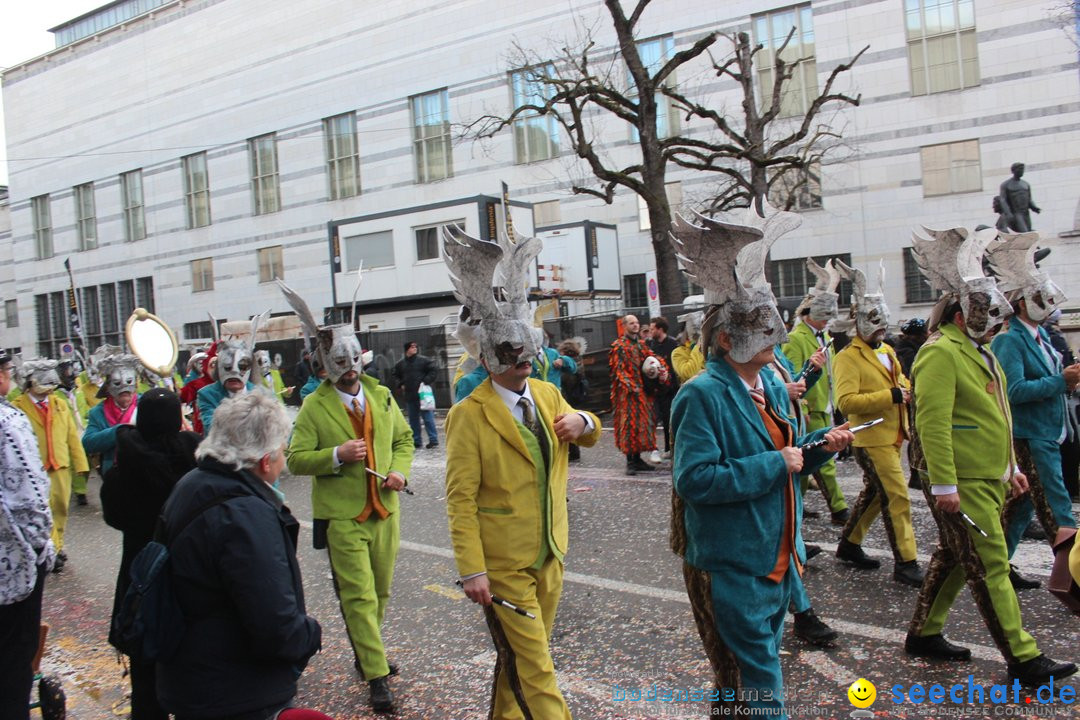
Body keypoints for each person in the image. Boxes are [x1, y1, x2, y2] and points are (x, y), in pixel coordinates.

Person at [668, 204, 854, 717]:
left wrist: (820, 446)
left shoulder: (768, 383)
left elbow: (787, 455)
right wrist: (781, 463)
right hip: (733, 563)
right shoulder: (701, 395)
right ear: (727, 338)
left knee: (738, 688)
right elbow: (696, 480)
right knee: (760, 687)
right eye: (760, 326)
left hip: (776, 560)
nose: (775, 335)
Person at [443, 222, 602, 720]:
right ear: (487, 358)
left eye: (527, 352)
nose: (525, 363)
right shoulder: (468, 415)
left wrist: (585, 421)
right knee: (536, 664)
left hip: (550, 552)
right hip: (505, 565)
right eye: (512, 356)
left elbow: (590, 429)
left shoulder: (549, 394)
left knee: (519, 658)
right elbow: (460, 499)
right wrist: (471, 568)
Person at [905, 225, 1075, 687]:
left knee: (957, 557)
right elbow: (933, 424)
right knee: (992, 564)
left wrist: (1012, 468)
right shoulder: (940, 353)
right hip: (960, 476)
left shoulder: (979, 350)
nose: (997, 324)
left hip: (987, 474)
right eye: (987, 314)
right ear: (961, 316)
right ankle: (1023, 657)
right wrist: (943, 485)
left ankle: (924, 632)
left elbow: (998, 414)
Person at [281, 281, 414, 713]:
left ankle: (366, 651)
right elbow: (296, 459)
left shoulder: (382, 395)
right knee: (358, 595)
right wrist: (335, 455)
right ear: (325, 364)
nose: (350, 367)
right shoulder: (313, 408)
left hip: (385, 511)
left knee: (382, 592)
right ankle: (375, 673)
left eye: (354, 359)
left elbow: (405, 439)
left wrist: (397, 470)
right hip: (342, 518)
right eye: (340, 361)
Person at [157, 393, 323, 720]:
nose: (282, 459)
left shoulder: (195, 483)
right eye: (280, 451)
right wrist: (310, 633)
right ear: (264, 460)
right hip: (235, 690)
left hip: (194, 675)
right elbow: (275, 623)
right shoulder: (244, 513)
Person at [100, 388, 200, 720]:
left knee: (145, 676)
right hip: (190, 575)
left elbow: (113, 517)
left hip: (140, 575)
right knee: (192, 669)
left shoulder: (122, 471)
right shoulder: (195, 465)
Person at [986, 234, 1079, 589]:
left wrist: (1068, 381)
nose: (1048, 304)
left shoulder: (1041, 336)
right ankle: (1074, 579)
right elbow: (1013, 392)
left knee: (1021, 508)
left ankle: (997, 566)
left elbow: (1052, 381)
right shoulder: (1010, 339)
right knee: (1059, 509)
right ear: (1022, 303)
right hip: (1031, 435)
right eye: (1040, 298)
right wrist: (1060, 381)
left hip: (1049, 432)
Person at [831, 260, 924, 587]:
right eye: (874, 322)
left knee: (875, 493)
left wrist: (905, 390)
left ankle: (849, 544)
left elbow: (901, 381)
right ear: (857, 322)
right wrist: (893, 396)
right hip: (869, 439)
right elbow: (847, 403)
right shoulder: (847, 358)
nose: (881, 328)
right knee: (896, 496)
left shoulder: (887, 350)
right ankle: (907, 561)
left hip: (894, 434)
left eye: (883, 321)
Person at [0, 351, 56, 718]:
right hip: (11, 568)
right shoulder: (8, 421)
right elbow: (31, 496)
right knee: (12, 660)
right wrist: (42, 545)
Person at [782, 258, 850, 525]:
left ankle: (796, 507)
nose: (827, 321)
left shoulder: (825, 338)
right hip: (810, 407)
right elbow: (794, 373)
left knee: (812, 463)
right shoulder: (797, 338)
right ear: (810, 313)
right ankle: (839, 508)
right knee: (822, 461)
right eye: (823, 316)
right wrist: (804, 408)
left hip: (826, 404)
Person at [12, 359, 89, 574]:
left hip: (61, 466)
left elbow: (72, 436)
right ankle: (51, 551)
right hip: (34, 470)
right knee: (43, 511)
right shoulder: (18, 407)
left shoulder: (60, 403)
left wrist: (80, 463)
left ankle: (58, 544)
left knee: (60, 509)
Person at [609, 314, 670, 475]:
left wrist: (662, 370)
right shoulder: (619, 346)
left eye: (637, 323)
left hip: (643, 392)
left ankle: (637, 459)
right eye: (631, 323)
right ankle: (630, 461)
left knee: (642, 426)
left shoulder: (642, 345)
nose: (636, 325)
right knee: (629, 425)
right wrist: (634, 389)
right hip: (628, 396)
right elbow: (620, 371)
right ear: (624, 326)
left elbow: (653, 359)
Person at [83, 353, 141, 475]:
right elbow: (88, 443)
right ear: (108, 387)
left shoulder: (145, 404)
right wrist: (121, 430)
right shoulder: (98, 412)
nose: (124, 390)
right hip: (113, 473)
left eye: (129, 382)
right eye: (117, 383)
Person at [197, 339, 257, 434]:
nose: (234, 371)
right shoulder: (207, 395)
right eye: (227, 366)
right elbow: (212, 428)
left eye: (242, 366)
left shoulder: (262, 394)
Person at [54, 358, 89, 506]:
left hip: (83, 430)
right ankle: (79, 492)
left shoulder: (78, 391)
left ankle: (80, 488)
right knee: (71, 463)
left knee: (84, 462)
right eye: (65, 371)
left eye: (70, 370)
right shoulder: (56, 395)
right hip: (67, 434)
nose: (69, 374)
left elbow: (84, 409)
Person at [392, 341, 439, 449]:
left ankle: (433, 440)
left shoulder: (423, 361)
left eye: (415, 346)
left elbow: (434, 370)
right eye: (412, 347)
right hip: (410, 395)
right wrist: (400, 384)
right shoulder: (401, 364)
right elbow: (395, 375)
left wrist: (426, 381)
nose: (414, 348)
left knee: (428, 418)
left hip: (422, 395)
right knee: (413, 420)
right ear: (406, 349)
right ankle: (416, 440)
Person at [647, 316, 680, 458]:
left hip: (670, 389)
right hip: (656, 389)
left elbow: (675, 366)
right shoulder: (651, 344)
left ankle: (670, 449)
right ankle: (654, 449)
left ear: (660, 329)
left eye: (653, 328)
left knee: (669, 420)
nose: (650, 331)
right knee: (653, 419)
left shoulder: (672, 344)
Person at [998, 162, 1041, 233]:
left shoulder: (1026, 184)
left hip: (1026, 213)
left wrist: (1034, 207)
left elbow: (1029, 199)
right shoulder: (1006, 184)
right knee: (1025, 232)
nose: (1022, 171)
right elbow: (1003, 200)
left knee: (1029, 231)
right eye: (1020, 169)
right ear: (1013, 171)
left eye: (1022, 169)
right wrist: (1008, 213)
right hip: (1016, 213)